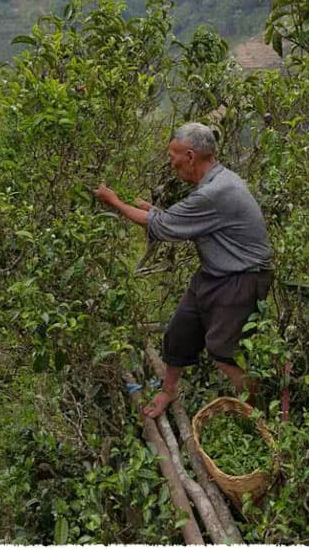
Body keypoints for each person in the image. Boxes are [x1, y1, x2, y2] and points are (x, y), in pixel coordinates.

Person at [94, 122, 273, 418]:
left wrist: (114, 202)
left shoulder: (216, 191)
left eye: (173, 155)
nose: (171, 162)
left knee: (224, 354)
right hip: (215, 273)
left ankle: (258, 414)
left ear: (190, 156)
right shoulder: (215, 183)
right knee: (180, 330)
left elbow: (165, 227)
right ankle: (168, 390)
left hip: (242, 278)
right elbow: (179, 220)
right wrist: (143, 206)